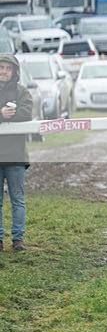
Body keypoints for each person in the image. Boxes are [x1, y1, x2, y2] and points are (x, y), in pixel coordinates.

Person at [0, 54, 34, 251]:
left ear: (14, 71)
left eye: (7, 68)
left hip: (16, 156)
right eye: (1, 67)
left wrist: (8, 116)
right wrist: (1, 114)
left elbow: (27, 113)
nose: (3, 71)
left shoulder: (22, 92)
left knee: (17, 200)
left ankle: (18, 240)